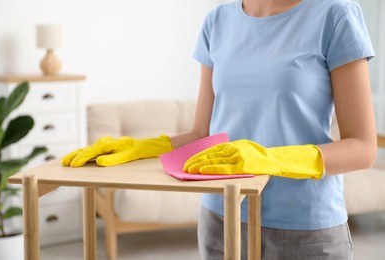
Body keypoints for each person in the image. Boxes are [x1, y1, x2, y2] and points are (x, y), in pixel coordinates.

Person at [62, 0, 377, 259]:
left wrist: (270, 159)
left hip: (306, 229)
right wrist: (141, 148)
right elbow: (201, 133)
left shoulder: (334, 14)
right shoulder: (217, 22)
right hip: (221, 218)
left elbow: (362, 148)